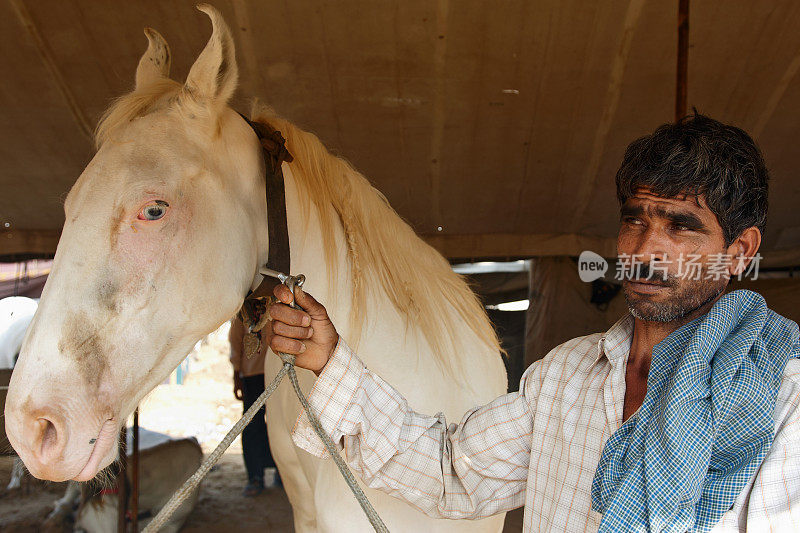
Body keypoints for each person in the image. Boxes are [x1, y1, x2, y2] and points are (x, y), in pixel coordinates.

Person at [265, 113, 800, 531]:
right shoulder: (565, 377)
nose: (645, 248)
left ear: (739, 251)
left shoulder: (782, 395)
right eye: (635, 219)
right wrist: (329, 357)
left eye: (682, 228)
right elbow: (453, 475)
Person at [229, 317, 280, 496]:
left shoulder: (279, 302)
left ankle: (281, 471)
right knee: (252, 426)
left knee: (279, 425)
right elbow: (235, 342)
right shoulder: (244, 311)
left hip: (278, 375)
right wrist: (236, 375)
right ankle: (255, 476)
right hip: (252, 375)